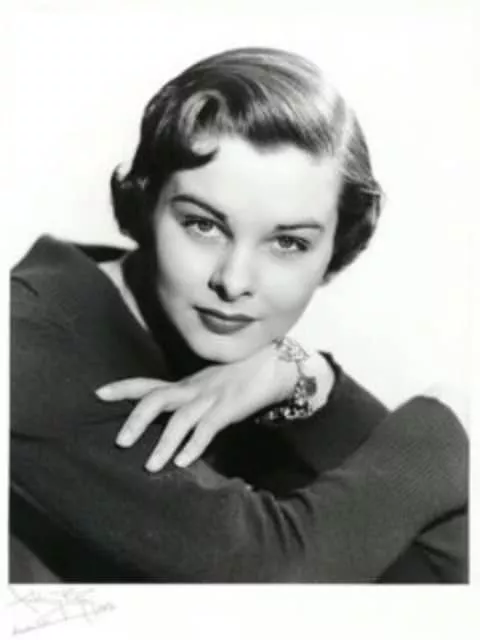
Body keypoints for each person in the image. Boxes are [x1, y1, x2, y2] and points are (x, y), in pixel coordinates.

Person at [10, 47, 467, 583]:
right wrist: (453, 416)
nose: (234, 281)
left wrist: (302, 377)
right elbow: (271, 574)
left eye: (288, 243)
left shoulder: (248, 368)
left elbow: (442, 565)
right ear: (146, 204)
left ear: (336, 248)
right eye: (203, 225)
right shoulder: (26, 346)